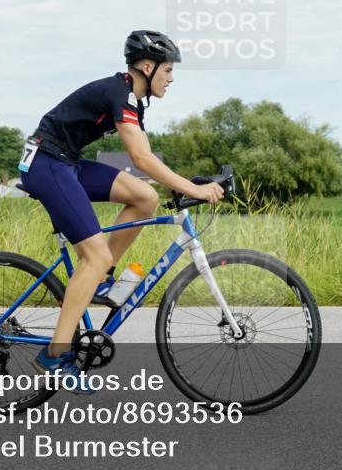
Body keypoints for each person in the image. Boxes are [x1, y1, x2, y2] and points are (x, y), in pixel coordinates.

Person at [20, 30, 225, 392]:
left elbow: (145, 158)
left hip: (66, 162)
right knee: (95, 255)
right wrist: (192, 189)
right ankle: (54, 355)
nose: (171, 78)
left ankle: (99, 279)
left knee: (145, 198)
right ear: (147, 67)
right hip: (47, 164)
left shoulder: (132, 99)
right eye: (168, 70)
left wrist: (183, 184)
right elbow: (141, 158)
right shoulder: (120, 92)